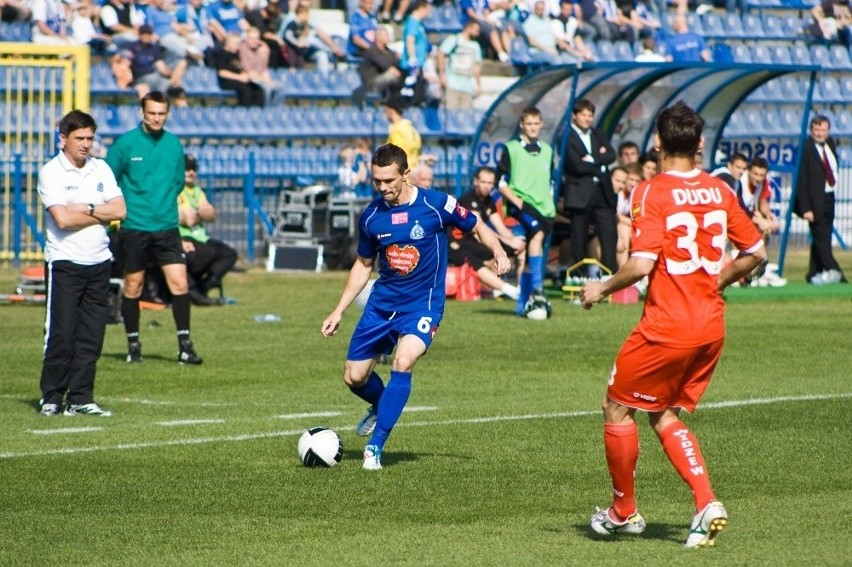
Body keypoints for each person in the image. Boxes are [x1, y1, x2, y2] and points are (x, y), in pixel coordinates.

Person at [579, 100, 767, 548]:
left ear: (658, 143)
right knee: (661, 411)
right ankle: (705, 503)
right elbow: (757, 252)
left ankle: (624, 511)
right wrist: (717, 279)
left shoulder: (651, 191)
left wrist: (601, 288)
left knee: (617, 406)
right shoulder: (720, 190)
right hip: (710, 325)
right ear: (700, 145)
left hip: (667, 325)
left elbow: (642, 263)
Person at [321, 143, 511, 470]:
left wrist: (498, 249)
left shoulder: (435, 204)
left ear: (405, 174)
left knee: (403, 361)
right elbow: (363, 264)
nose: (382, 188)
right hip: (381, 306)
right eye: (377, 181)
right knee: (353, 377)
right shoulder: (371, 216)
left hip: (422, 306)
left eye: (389, 181)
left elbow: (475, 224)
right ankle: (382, 405)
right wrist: (338, 310)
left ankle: (375, 447)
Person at [36, 110, 127, 417]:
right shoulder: (52, 172)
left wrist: (86, 207)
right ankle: (51, 396)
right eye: (80, 138)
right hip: (65, 263)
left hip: (100, 262)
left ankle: (81, 397)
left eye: (90, 138)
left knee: (91, 334)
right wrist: (100, 211)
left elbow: (120, 210)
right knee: (61, 333)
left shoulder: (101, 169)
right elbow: (62, 218)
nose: (86, 144)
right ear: (63, 139)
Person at [106, 91, 204, 365]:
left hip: (167, 228)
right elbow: (107, 178)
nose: (157, 118)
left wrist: (161, 206)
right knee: (134, 286)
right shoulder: (126, 144)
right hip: (135, 227)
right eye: (152, 113)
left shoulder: (174, 144)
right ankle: (133, 344)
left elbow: (176, 183)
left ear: (167, 113)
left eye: (162, 113)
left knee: (179, 283)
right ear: (142, 113)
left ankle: (185, 345)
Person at [496, 106, 557, 316]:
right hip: (521, 205)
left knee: (523, 254)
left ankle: (523, 305)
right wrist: (518, 203)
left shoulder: (548, 150)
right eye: (528, 123)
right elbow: (501, 183)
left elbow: (549, 181)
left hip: (544, 208)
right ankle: (539, 287)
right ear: (522, 125)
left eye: (536, 123)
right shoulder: (511, 148)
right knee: (537, 236)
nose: (532, 127)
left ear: (541, 124)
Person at [449, 166, 525, 299]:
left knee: (520, 248)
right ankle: (511, 291)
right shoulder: (468, 199)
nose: (486, 186)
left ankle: (521, 287)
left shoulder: (490, 201)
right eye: (483, 182)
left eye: (490, 183)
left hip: (474, 241)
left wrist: (514, 241)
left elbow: (500, 228)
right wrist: (507, 243)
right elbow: (480, 228)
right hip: (456, 242)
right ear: (476, 181)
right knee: (475, 260)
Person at [563, 97, 618, 275]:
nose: (587, 118)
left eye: (590, 115)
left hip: (602, 191)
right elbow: (575, 165)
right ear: (574, 116)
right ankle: (578, 276)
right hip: (580, 193)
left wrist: (593, 158)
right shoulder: (566, 136)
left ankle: (610, 275)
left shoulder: (598, 134)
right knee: (578, 237)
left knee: (609, 234)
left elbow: (611, 155)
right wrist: (599, 164)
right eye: (583, 115)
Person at [794, 115, 848, 285]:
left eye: (822, 130)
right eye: (816, 130)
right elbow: (801, 180)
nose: (819, 133)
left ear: (828, 130)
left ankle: (813, 273)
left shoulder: (830, 143)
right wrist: (806, 208)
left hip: (829, 196)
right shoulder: (806, 148)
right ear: (811, 130)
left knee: (824, 237)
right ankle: (837, 273)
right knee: (820, 239)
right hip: (813, 200)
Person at [179, 155, 239, 305]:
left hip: (201, 237)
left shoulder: (197, 190)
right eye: (187, 169)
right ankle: (192, 292)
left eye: (193, 169)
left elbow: (211, 214)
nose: (191, 172)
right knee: (193, 256)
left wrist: (199, 213)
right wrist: (201, 213)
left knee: (229, 254)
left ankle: (203, 287)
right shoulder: (176, 190)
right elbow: (187, 218)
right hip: (183, 237)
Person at [126, 25, 188, 100]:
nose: (146, 36)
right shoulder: (133, 47)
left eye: (148, 34)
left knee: (178, 93)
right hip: (140, 79)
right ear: (139, 34)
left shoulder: (154, 48)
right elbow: (125, 63)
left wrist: (174, 75)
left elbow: (161, 67)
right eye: (143, 33)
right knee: (145, 92)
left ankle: (174, 89)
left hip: (155, 77)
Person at [437, 20, 483, 111]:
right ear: (468, 28)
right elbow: (441, 54)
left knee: (465, 115)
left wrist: (478, 85)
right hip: (452, 83)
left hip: (467, 85)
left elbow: (477, 66)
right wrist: (442, 75)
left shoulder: (475, 46)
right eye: (475, 30)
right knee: (451, 112)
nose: (477, 33)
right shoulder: (454, 40)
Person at [211, 33, 266, 107]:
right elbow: (222, 73)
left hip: (240, 80)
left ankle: (256, 113)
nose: (238, 46)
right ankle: (244, 113)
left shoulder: (237, 55)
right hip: (227, 81)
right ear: (228, 43)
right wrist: (239, 77)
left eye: (239, 44)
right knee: (246, 90)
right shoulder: (221, 54)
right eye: (236, 44)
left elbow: (241, 68)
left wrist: (247, 75)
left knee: (258, 90)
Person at [239, 26, 287, 107]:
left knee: (280, 88)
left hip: (260, 77)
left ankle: (275, 110)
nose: (254, 41)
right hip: (249, 79)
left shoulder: (261, 49)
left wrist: (269, 81)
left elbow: (264, 70)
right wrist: (266, 82)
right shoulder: (242, 49)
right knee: (266, 88)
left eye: (256, 38)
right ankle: (266, 112)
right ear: (246, 39)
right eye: (251, 38)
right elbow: (249, 71)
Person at [385, 98, 421, 172]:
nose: (384, 113)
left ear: (391, 110)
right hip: (413, 171)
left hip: (402, 174)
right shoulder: (412, 130)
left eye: (385, 110)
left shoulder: (397, 130)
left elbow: (395, 157)